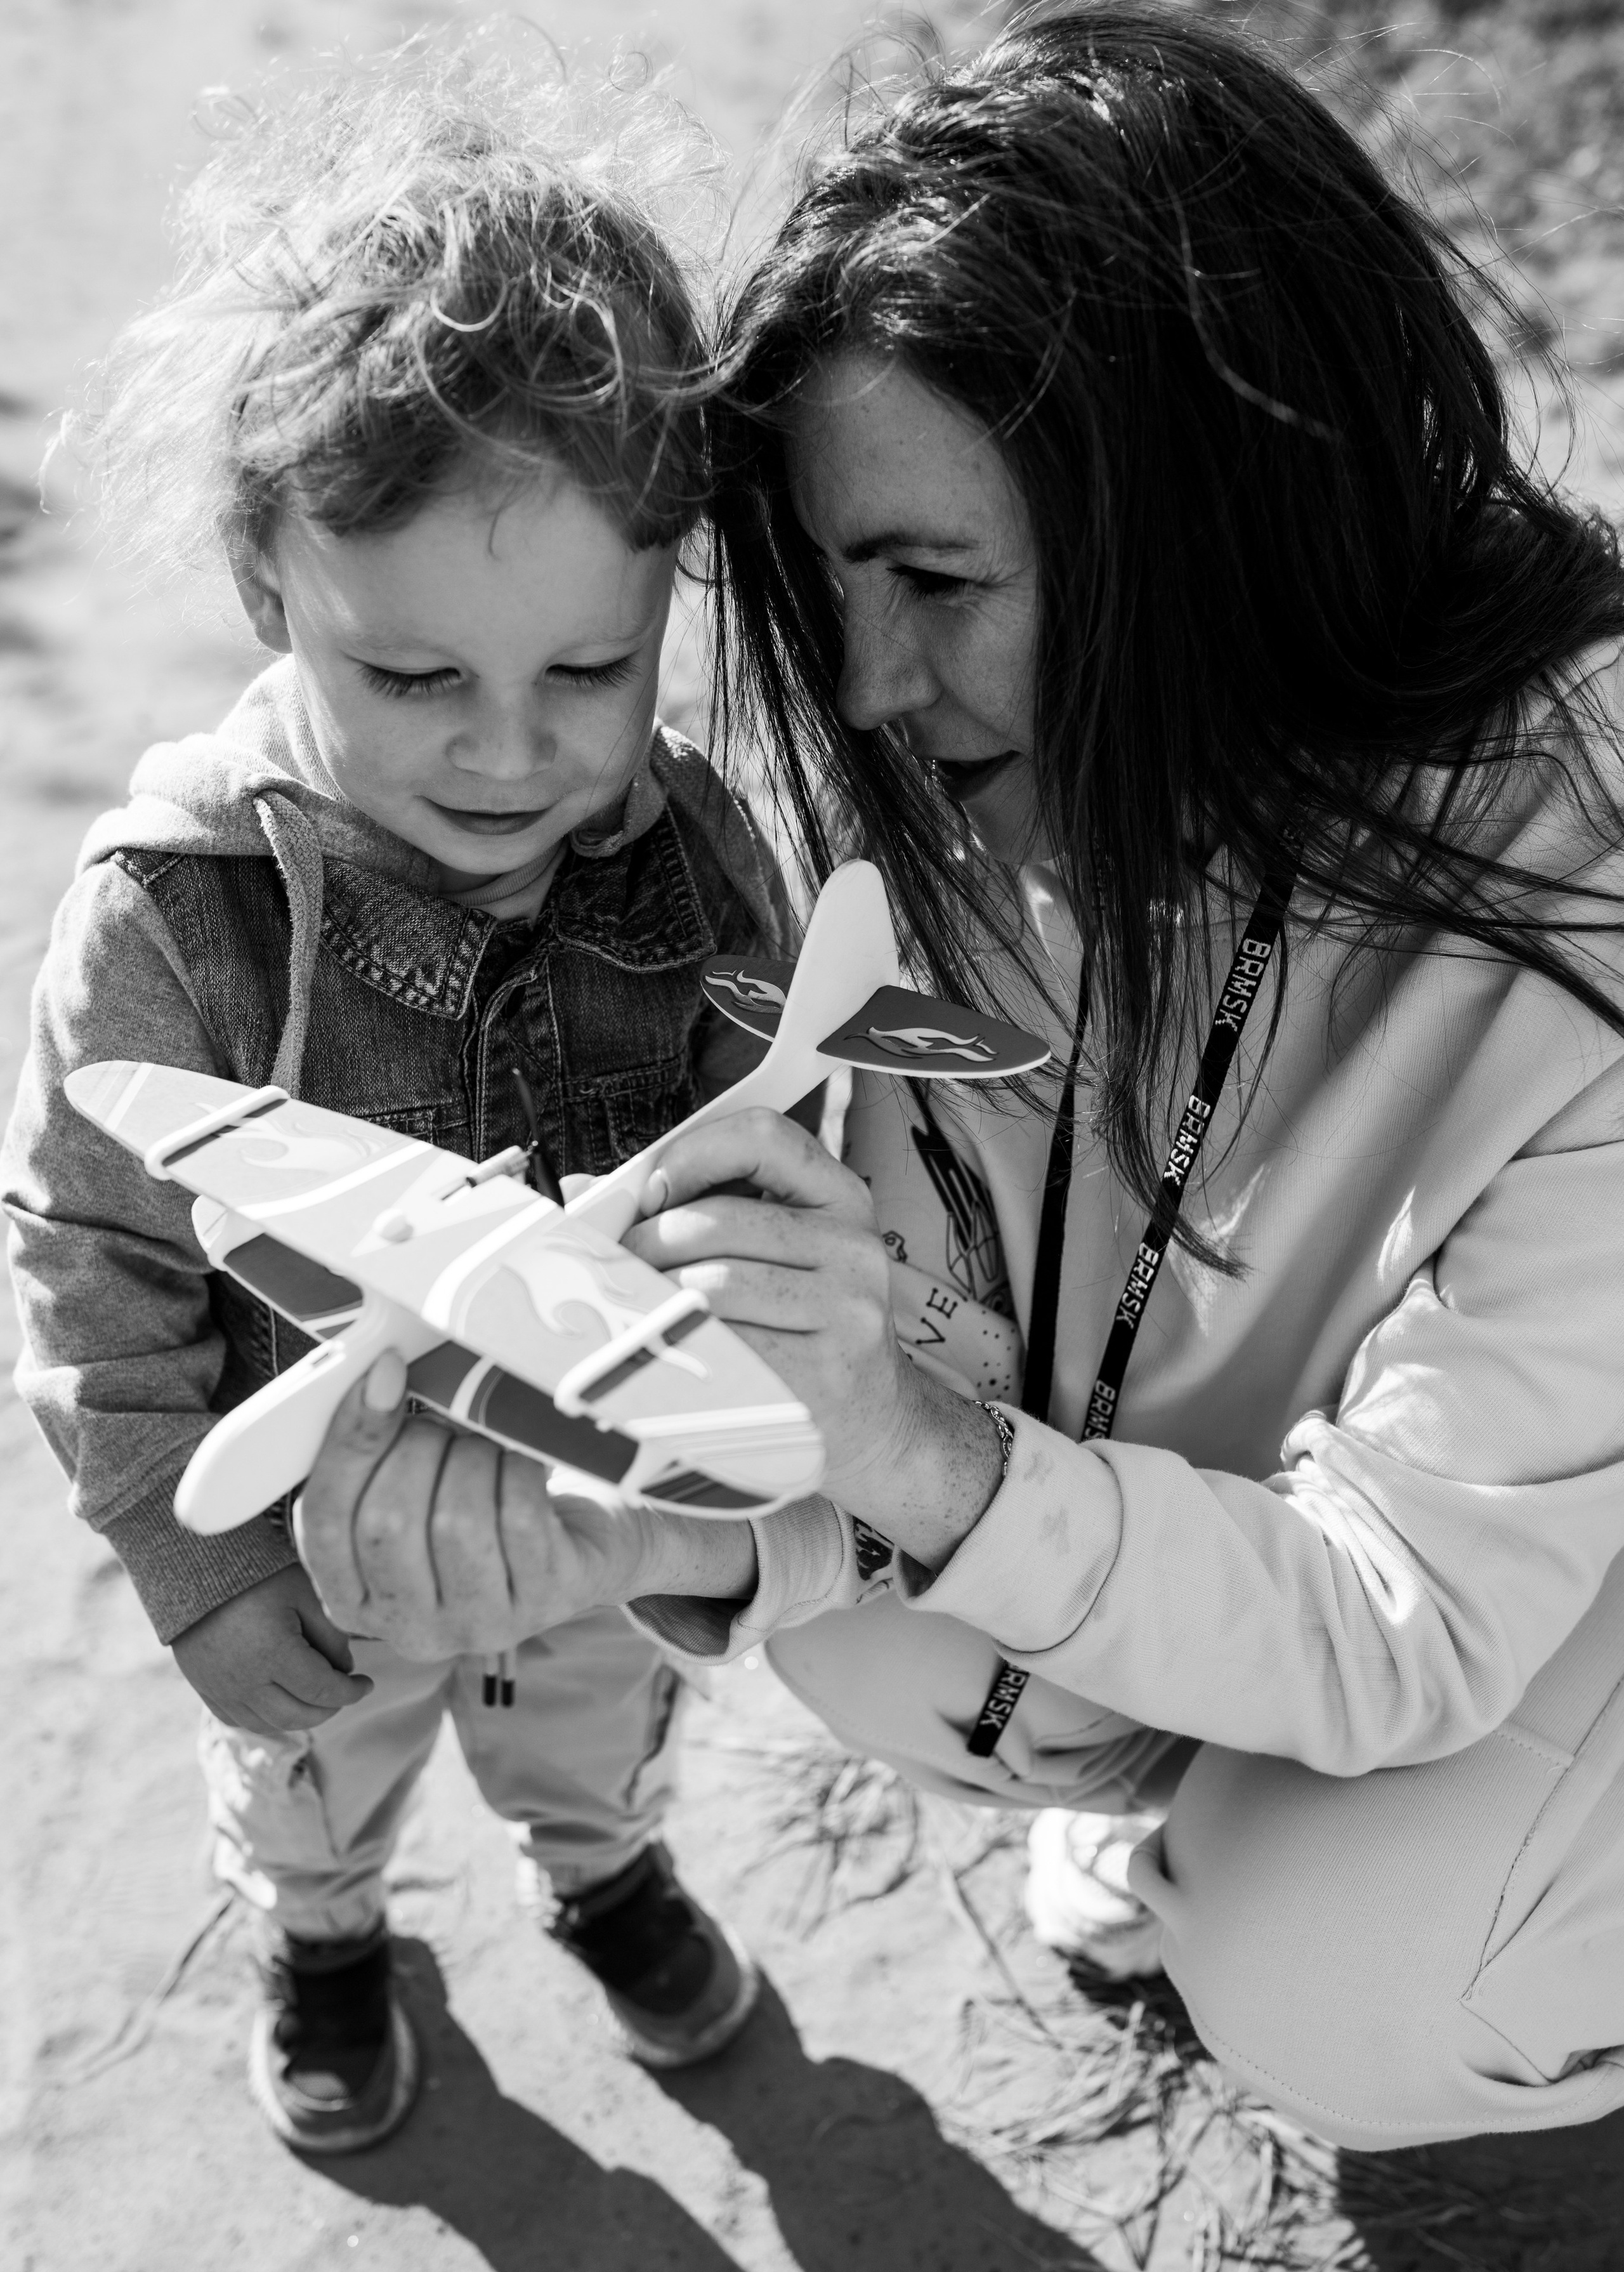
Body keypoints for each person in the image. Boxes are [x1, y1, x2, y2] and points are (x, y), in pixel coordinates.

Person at [292, 3, 1624, 2153]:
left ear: (1224, 518)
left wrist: (916, 1458)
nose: (878, 688)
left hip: (1545, 1575)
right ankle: (1238, 1796)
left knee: (1348, 1989)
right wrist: (663, 1510)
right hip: (1312, 1550)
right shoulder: (996, 800)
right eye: (835, 592)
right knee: (878, 1628)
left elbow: (1416, 1608)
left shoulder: (1590, 887)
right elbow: (953, 1335)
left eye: (939, 581)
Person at [2, 42, 784, 2153]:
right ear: (274, 594)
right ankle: (328, 1935)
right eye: (416, 677)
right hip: (314, 1545)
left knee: (592, 1733)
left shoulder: (704, 866)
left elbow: (772, 1163)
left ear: (664, 604)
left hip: (592, 1521)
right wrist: (198, 1570)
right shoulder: (174, 919)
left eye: (590, 674)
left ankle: (598, 1871)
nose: (512, 756)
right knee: (310, 1770)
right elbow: (86, 1266)